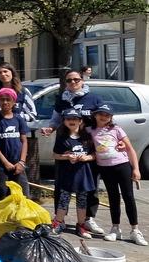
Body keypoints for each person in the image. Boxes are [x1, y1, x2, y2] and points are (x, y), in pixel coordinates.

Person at [42, 69, 105, 234]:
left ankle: (87, 219)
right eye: (69, 80)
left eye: (76, 79)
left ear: (82, 80)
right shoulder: (62, 99)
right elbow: (55, 120)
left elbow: (105, 119)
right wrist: (50, 128)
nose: (73, 83)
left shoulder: (94, 98)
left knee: (89, 185)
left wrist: (112, 138)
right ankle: (59, 219)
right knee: (62, 186)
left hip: (87, 144)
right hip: (66, 144)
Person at [0, 62, 36, 205]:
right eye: (0, 73)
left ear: (12, 72)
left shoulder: (23, 92)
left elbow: (33, 115)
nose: (3, 75)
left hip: (14, 140)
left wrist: (15, 119)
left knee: (19, 174)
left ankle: (22, 204)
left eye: (6, 71)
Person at [88, 104, 146, 245]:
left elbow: (130, 148)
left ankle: (135, 230)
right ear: (95, 115)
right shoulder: (89, 130)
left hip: (122, 165)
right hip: (105, 168)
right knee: (113, 197)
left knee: (128, 196)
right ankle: (115, 228)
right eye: (101, 114)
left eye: (107, 115)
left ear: (111, 118)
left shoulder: (116, 129)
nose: (104, 117)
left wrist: (136, 169)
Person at [52, 109, 97, 238]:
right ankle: (58, 222)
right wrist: (67, 157)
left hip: (83, 174)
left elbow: (94, 154)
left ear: (80, 121)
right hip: (68, 174)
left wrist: (87, 158)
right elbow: (55, 155)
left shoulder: (87, 137)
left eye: (75, 119)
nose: (72, 121)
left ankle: (81, 226)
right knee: (63, 199)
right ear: (64, 121)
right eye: (69, 119)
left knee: (82, 200)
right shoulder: (62, 138)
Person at [0, 88, 30, 202]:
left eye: (8, 99)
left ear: (14, 102)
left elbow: (24, 141)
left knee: (20, 191)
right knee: (2, 189)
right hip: (1, 163)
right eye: (2, 99)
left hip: (17, 161)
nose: (5, 102)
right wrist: (5, 162)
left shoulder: (18, 119)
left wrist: (22, 162)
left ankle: (18, 215)